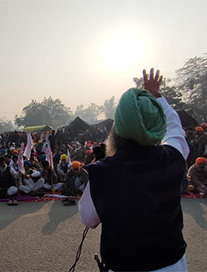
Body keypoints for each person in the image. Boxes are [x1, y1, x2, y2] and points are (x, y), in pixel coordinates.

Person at [79, 68, 189, 271]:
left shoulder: (103, 173)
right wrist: (157, 97)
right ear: (158, 124)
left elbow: (88, 218)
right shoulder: (174, 157)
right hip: (173, 265)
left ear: (117, 127)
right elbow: (175, 128)